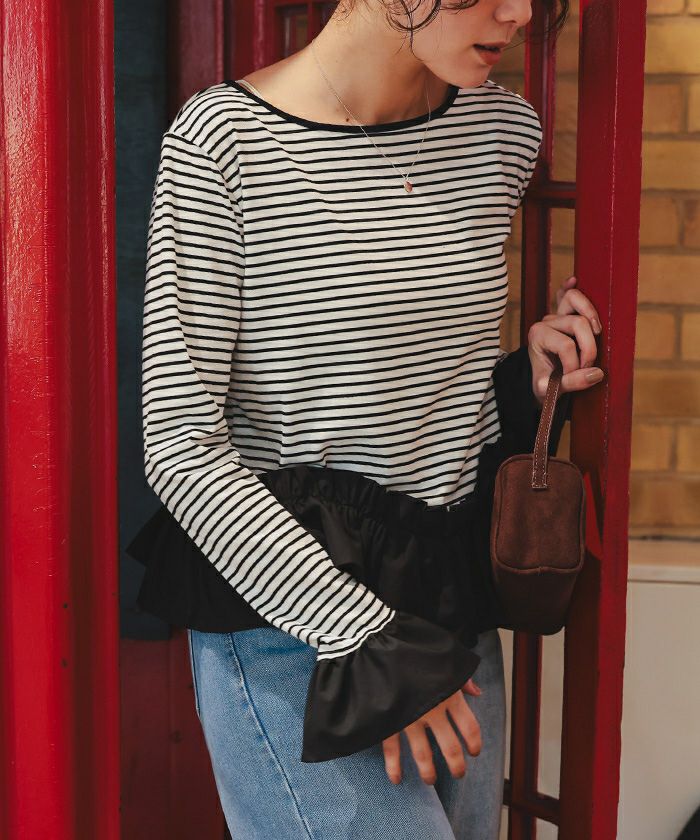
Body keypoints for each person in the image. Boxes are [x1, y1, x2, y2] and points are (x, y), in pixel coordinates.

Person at [127, 0, 605, 836]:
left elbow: (416, 389)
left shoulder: (500, 131)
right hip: (294, 615)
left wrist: (523, 373)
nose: (521, 12)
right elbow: (179, 443)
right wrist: (368, 642)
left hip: (448, 600)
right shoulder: (225, 142)